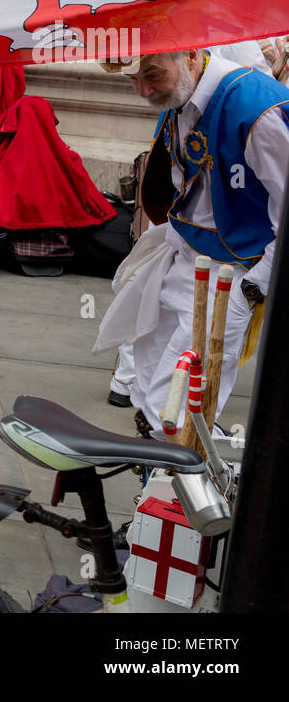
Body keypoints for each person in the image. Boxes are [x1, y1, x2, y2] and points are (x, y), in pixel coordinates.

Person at [94, 48, 288, 433]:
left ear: (193, 55)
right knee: (148, 384)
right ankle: (162, 485)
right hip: (182, 255)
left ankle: (187, 487)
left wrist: (253, 287)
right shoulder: (182, 95)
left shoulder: (256, 111)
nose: (144, 90)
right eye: (133, 80)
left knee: (177, 404)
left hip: (232, 272)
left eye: (152, 74)